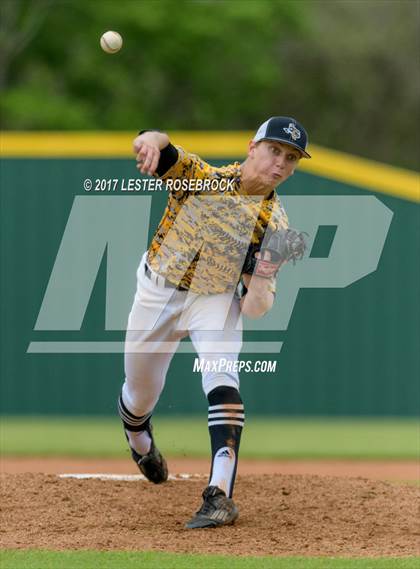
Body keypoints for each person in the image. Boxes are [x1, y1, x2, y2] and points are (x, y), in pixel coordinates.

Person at [117, 116, 311, 529]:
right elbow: (161, 144)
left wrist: (260, 274)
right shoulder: (203, 178)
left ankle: (218, 494)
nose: (280, 163)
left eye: (290, 157)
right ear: (251, 147)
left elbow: (257, 307)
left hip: (215, 298)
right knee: (139, 396)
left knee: (222, 377)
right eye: (274, 150)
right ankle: (140, 441)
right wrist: (148, 141)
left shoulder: (274, 225)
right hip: (158, 292)